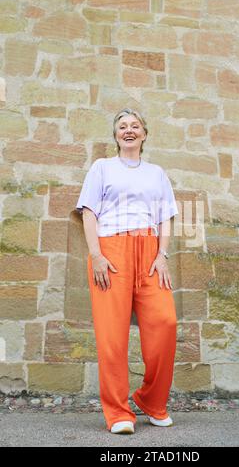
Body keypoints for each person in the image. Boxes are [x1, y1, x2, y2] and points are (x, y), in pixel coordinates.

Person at [76, 108, 179, 435]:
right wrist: (97, 255)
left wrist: (162, 255)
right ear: (116, 135)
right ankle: (119, 412)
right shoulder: (102, 168)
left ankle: (152, 400)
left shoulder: (156, 173)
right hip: (111, 251)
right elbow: (89, 212)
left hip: (150, 252)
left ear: (145, 134)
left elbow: (165, 216)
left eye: (135, 125)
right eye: (123, 126)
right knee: (112, 335)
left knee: (165, 322)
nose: (129, 130)